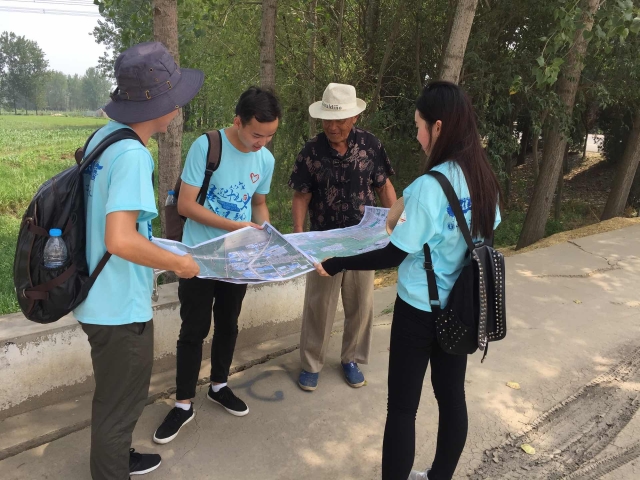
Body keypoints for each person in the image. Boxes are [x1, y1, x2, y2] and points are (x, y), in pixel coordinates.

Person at [314, 81, 502, 480]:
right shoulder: (483, 177)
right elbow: (485, 233)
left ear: (438, 126)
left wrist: (337, 263)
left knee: (402, 408)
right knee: (452, 399)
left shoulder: (430, 187)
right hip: (463, 307)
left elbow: (393, 253)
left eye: (419, 126)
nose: (417, 135)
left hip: (418, 310)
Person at [74, 42, 202, 480]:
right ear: (159, 104)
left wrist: (162, 251)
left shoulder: (105, 137)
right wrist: (178, 264)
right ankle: (111, 469)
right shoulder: (132, 155)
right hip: (118, 305)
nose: (179, 108)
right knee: (119, 402)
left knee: (115, 396)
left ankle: (118, 456)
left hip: (97, 294)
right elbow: (120, 238)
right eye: (175, 98)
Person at [153, 87, 281, 444]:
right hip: (200, 255)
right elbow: (186, 206)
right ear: (238, 122)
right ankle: (183, 404)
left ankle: (219, 385)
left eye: (270, 136)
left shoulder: (264, 160)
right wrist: (236, 227)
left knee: (229, 323)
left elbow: (258, 203)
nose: (262, 143)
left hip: (237, 258)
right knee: (194, 328)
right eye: (257, 135)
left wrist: (265, 233)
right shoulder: (208, 146)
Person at [289, 83, 397, 392]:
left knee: (361, 303)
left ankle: (351, 359)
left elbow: (384, 187)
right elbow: (301, 195)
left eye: (339, 120)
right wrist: (299, 236)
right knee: (319, 305)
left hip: (364, 240)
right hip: (324, 242)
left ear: (354, 118)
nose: (332, 126)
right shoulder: (311, 150)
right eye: (327, 120)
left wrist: (397, 225)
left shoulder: (371, 146)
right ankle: (311, 363)